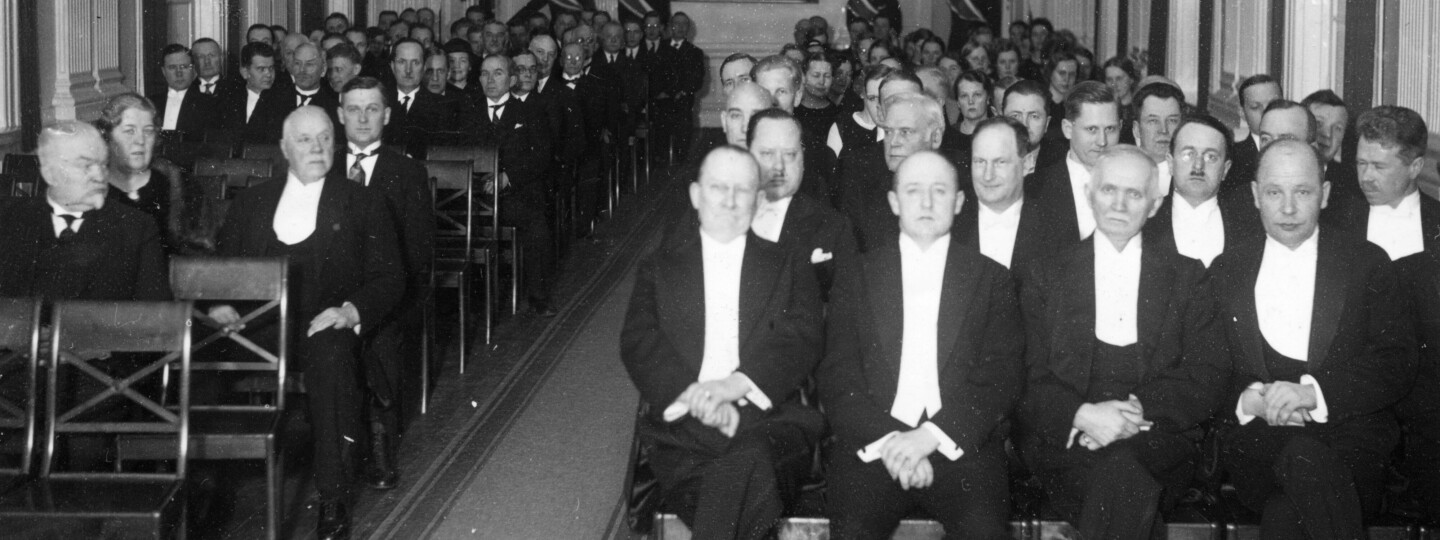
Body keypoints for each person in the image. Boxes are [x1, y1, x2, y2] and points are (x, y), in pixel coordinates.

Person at [211, 107, 404, 540]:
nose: (317, 148)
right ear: (284, 148)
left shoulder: (362, 201)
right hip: (259, 327)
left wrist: (350, 311)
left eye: (324, 138)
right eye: (304, 140)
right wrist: (221, 302)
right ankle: (200, 486)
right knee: (196, 346)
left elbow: (390, 276)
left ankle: (333, 496)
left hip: (324, 324)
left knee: (331, 357)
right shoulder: (253, 202)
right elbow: (222, 267)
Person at [1019, 145, 1226, 539]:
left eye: (1133, 193)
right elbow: (1028, 375)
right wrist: (1084, 416)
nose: (1118, 204)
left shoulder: (1187, 277)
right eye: (1108, 190)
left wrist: (1136, 413)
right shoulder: (1046, 274)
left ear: (1154, 204)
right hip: (1069, 436)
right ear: (1089, 194)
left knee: (1120, 474)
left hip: (1155, 435)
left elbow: (1207, 373)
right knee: (1123, 479)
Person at [621, 145, 825, 539]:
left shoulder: (787, 262)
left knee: (745, 465)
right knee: (740, 487)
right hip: (685, 428)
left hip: (769, 421)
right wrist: (696, 397)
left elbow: (802, 337)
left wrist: (733, 387)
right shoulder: (659, 268)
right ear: (696, 195)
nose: (730, 201)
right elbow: (638, 341)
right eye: (718, 188)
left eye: (742, 189)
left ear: (758, 200)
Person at [1213, 139, 1413, 539]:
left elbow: (1396, 363)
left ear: (1324, 194)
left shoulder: (1367, 262)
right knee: (1302, 461)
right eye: (1275, 192)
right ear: (1255, 195)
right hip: (1260, 440)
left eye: (1302, 192)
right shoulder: (1226, 269)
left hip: (1348, 441)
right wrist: (1250, 399)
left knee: (1287, 513)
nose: (1288, 208)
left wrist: (1313, 394)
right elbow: (1208, 368)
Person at [819, 150, 1022, 539]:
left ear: (959, 202)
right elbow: (838, 375)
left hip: (960, 445)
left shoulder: (992, 279)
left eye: (939, 191)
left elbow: (1001, 377)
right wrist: (893, 443)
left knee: (984, 531)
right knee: (853, 530)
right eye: (913, 191)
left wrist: (931, 437)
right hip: (876, 444)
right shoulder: (857, 275)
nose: (927, 203)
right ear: (894, 202)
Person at [331, 76, 434, 492]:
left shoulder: (408, 173)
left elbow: (417, 255)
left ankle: (380, 443)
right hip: (327, 296)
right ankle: (332, 446)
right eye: (353, 109)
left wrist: (368, 305)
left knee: (381, 339)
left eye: (371, 109)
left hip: (386, 297)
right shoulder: (320, 167)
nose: (362, 118)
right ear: (340, 115)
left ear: (387, 115)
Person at [0, 121, 169, 301]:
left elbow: (154, 313)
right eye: (86, 166)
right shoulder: (8, 220)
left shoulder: (136, 228)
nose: (99, 176)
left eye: (103, 165)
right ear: (51, 174)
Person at [469, 54, 557, 315]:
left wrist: (508, 176)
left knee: (536, 225)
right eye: (485, 74)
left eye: (498, 73)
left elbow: (541, 156)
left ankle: (538, 296)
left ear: (512, 80)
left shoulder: (529, 112)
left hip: (516, 195)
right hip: (475, 196)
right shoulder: (468, 112)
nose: (490, 80)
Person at [746, 109, 856, 299]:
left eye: (789, 154)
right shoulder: (723, 219)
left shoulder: (834, 229)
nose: (779, 166)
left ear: (802, 158)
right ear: (748, 155)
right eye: (767, 153)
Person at [96, 93, 221, 255]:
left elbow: (199, 255)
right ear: (107, 137)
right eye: (129, 131)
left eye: (148, 131)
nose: (140, 140)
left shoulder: (180, 186)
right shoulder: (92, 188)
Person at [1144, 114, 1264, 267]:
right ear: (1170, 163)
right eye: (1188, 154)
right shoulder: (1144, 222)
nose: (1198, 165)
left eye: (1211, 157)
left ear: (1225, 169)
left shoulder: (1250, 228)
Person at [954, 116, 1063, 275]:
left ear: (1026, 164)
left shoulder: (1055, 229)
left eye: (1000, 162)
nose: (988, 175)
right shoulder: (950, 224)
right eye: (980, 162)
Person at [1028, 81, 1121, 242]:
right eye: (1092, 129)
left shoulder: (1136, 185)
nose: (1102, 141)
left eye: (1110, 129)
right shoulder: (1033, 188)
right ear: (1068, 129)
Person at [385, 39, 457, 153]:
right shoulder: (380, 103)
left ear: (424, 68)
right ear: (393, 66)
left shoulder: (444, 107)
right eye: (402, 62)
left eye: (415, 63)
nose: (408, 70)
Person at [651, 12, 706, 162]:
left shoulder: (695, 52)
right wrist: (660, 92)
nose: (680, 27)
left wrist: (682, 92)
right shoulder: (659, 47)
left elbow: (697, 79)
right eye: (676, 23)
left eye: (684, 24)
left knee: (682, 137)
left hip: (682, 101)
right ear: (670, 26)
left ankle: (680, 162)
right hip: (661, 101)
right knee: (660, 139)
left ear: (689, 28)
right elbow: (654, 74)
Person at [217, 42, 289, 143]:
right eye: (261, 69)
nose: (268, 74)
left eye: (271, 68)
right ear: (245, 72)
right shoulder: (228, 100)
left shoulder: (284, 101)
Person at [1226, 74, 1283, 196]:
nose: (1266, 112)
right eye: (1255, 107)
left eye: (1273, 104)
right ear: (1242, 112)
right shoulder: (1231, 158)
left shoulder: (1303, 150)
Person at [151, 43, 218, 139]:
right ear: (163, 71)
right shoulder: (151, 103)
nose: (179, 73)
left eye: (184, 67)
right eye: (172, 67)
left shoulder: (210, 105)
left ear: (194, 70)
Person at [1130, 82, 1185, 194]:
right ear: (1137, 130)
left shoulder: (1189, 177)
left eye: (1172, 121)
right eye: (1153, 121)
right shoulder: (1121, 172)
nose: (1163, 130)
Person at [1002, 80, 1066, 174]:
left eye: (1034, 116)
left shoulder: (1063, 162)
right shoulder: (984, 156)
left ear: (1047, 123)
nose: (1024, 124)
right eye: (1015, 116)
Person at [795, 52, 840, 154]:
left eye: (827, 76)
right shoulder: (794, 110)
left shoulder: (837, 113)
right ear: (804, 77)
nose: (822, 81)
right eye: (816, 75)